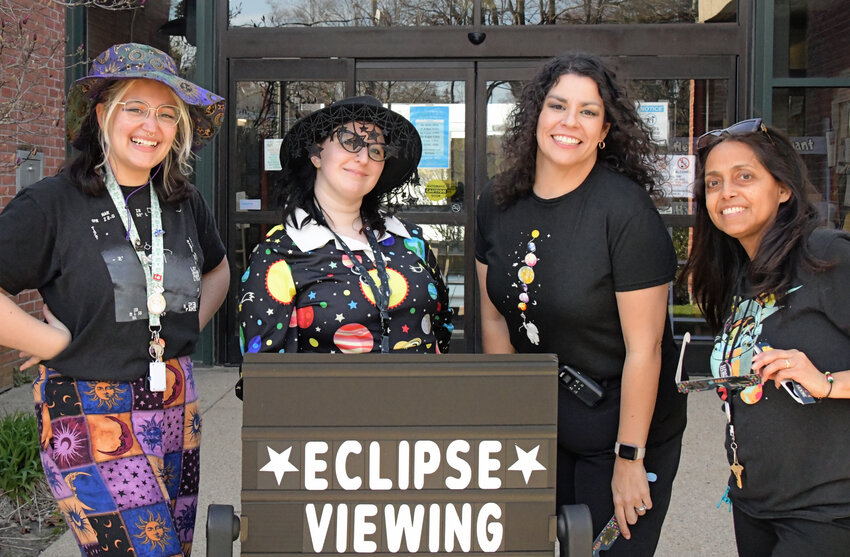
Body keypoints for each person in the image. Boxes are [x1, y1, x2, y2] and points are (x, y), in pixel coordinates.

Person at [0, 43, 229, 556]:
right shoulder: (52, 203)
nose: (152, 125)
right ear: (103, 114)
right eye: (136, 108)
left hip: (175, 397)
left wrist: (181, 327)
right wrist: (51, 341)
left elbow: (216, 269)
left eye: (167, 114)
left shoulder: (182, 200)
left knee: (175, 544)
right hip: (88, 403)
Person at [475, 53, 687, 555]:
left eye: (588, 112)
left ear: (605, 130)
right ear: (536, 117)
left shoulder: (623, 210)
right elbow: (493, 317)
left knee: (603, 550)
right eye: (558, 106)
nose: (570, 122)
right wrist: (512, 427)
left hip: (623, 425)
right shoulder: (497, 203)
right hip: (545, 418)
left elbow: (646, 348)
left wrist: (630, 459)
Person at [680, 119, 850, 556]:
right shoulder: (741, 275)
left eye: (745, 176)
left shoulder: (826, 256)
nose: (726, 192)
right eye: (714, 183)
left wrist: (826, 382)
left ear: (784, 189)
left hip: (825, 510)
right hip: (753, 503)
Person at [238, 96, 452, 358]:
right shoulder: (279, 254)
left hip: (422, 396)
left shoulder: (411, 240)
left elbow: (441, 329)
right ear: (316, 155)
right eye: (351, 142)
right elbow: (267, 376)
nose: (364, 158)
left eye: (376, 150)